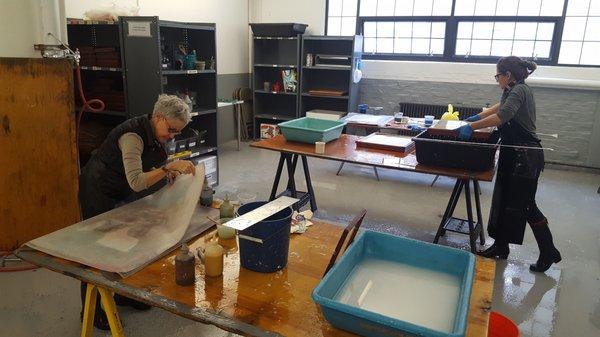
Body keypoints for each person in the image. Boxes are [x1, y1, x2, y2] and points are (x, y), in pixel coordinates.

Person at [78, 94, 197, 329]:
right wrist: (166, 168)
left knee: (127, 241)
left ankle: (121, 294)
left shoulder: (154, 133)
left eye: (177, 133)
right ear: (159, 117)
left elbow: (145, 166)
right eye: (171, 130)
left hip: (119, 189)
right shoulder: (132, 136)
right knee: (97, 250)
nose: (172, 136)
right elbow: (136, 181)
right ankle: (90, 309)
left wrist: (164, 172)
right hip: (98, 188)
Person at [455, 56, 561, 273]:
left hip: (525, 156)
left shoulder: (520, 90)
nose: (497, 80)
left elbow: (502, 116)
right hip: (512, 154)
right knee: (503, 200)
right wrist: (477, 115)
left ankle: (549, 250)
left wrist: (473, 127)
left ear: (508, 75)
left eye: (498, 76)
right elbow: (499, 107)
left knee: (526, 205)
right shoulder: (513, 90)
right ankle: (501, 247)